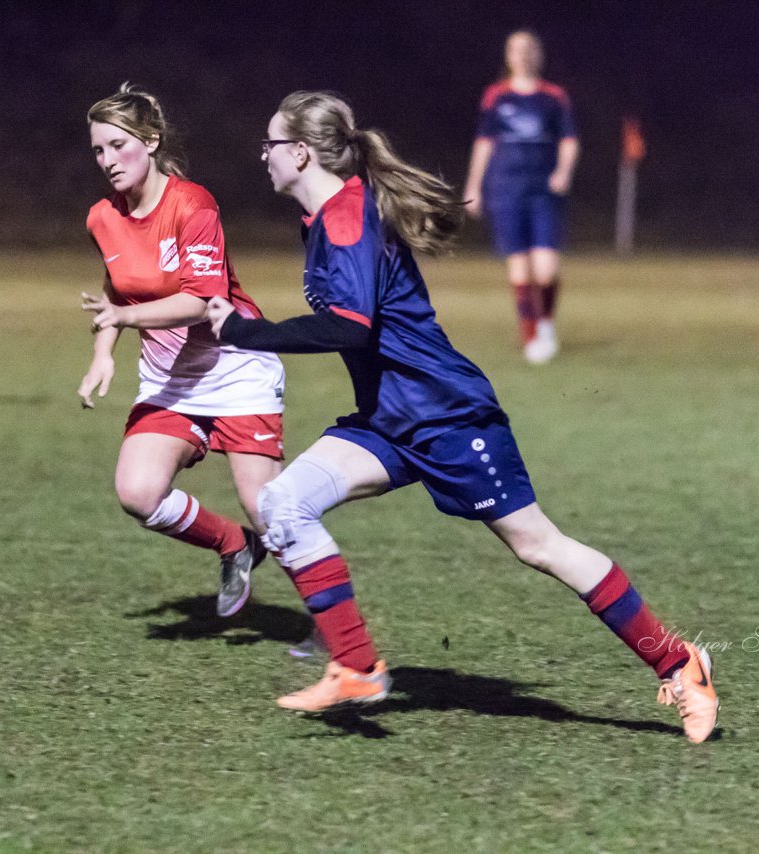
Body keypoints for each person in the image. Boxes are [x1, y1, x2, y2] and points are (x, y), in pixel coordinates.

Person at [205, 91, 719, 744]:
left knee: (539, 545)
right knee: (282, 504)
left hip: (447, 416)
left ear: (300, 152)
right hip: (391, 421)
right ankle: (356, 666)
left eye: (270, 144)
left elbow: (350, 328)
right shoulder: (323, 219)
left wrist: (248, 333)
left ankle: (680, 663)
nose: (263, 155)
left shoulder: (342, 217)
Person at [80, 84, 283, 617]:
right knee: (138, 492)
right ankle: (233, 545)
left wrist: (124, 318)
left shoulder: (192, 204)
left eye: (117, 145)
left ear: (150, 140)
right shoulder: (103, 216)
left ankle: (335, 636)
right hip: (171, 379)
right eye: (98, 150)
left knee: (273, 514)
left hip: (236, 367)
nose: (106, 161)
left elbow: (201, 300)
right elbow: (117, 283)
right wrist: (105, 350)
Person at [463, 29, 579, 365]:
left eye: (529, 49)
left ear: (538, 54)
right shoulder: (496, 96)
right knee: (520, 269)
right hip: (505, 188)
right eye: (516, 49)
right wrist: (473, 186)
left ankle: (545, 324)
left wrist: (563, 171)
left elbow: (569, 139)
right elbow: (484, 142)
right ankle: (531, 335)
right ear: (508, 56)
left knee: (545, 270)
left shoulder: (553, 96)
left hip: (543, 189)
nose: (523, 55)